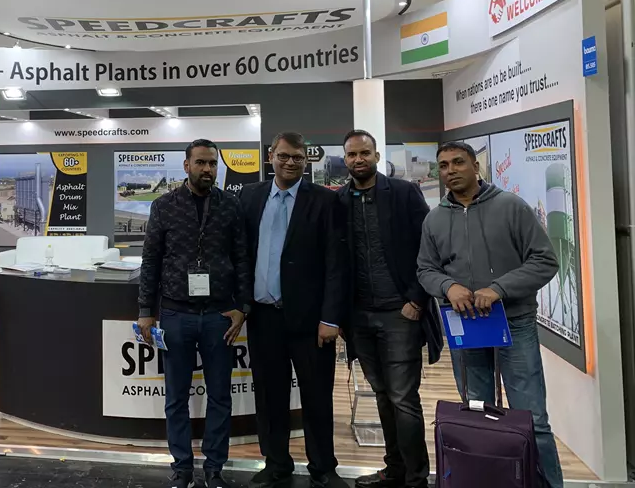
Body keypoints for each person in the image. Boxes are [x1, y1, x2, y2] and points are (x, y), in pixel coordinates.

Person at [417, 141, 563, 488]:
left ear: (475, 166)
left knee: (532, 418)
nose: (450, 170)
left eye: (458, 162)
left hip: (513, 323)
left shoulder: (511, 207)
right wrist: (448, 287)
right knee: (477, 415)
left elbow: (545, 261)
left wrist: (499, 288)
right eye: (443, 165)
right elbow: (425, 269)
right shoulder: (435, 218)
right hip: (465, 327)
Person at [138, 138, 252, 488]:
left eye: (212, 163)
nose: (207, 169)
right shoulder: (164, 206)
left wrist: (243, 307)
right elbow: (151, 260)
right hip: (176, 314)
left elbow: (242, 259)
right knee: (176, 398)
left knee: (220, 396)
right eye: (201, 162)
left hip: (219, 316)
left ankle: (214, 468)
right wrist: (145, 311)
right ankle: (182, 467)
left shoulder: (231, 205)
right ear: (186, 166)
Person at [239, 132, 348, 488]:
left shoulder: (325, 201)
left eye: (298, 158)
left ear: (306, 161)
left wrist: (330, 318)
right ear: (271, 155)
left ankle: (323, 467)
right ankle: (276, 463)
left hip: (311, 322)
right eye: (284, 156)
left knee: (317, 397)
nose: (290, 163)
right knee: (269, 396)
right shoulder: (250, 196)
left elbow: (336, 264)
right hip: (263, 318)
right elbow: (241, 254)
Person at [337, 130, 442, 488]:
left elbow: (428, 248)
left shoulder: (403, 193)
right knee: (382, 395)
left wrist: (417, 300)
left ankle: (416, 478)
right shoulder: (340, 200)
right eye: (352, 155)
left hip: (401, 313)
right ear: (345, 159)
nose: (358, 160)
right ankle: (394, 469)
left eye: (364, 153)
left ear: (376, 156)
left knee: (402, 398)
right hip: (359, 316)